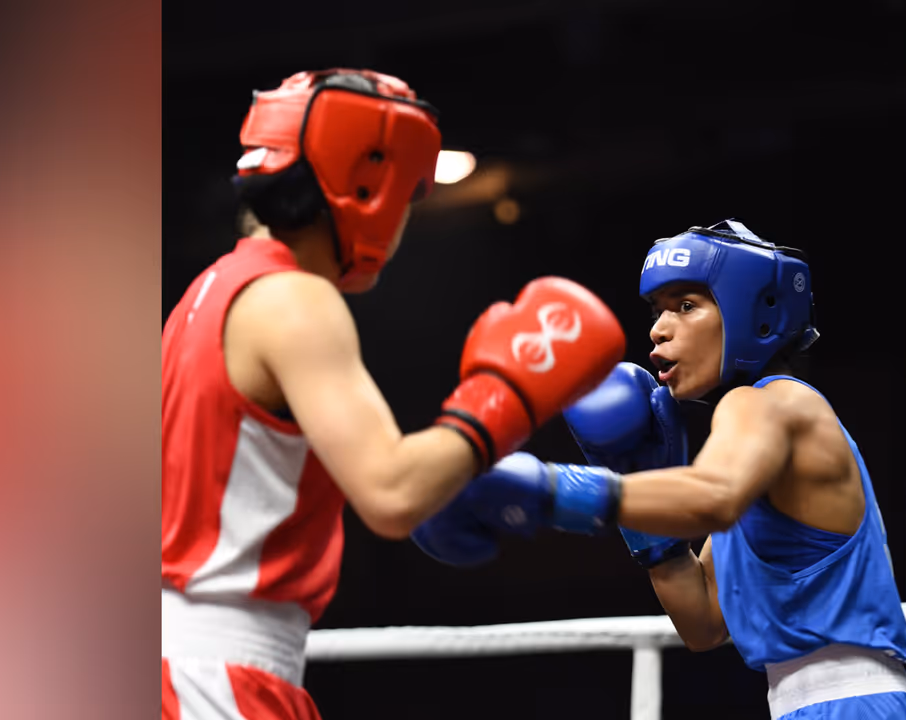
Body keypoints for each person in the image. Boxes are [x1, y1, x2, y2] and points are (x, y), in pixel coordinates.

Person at [161, 68, 627, 720]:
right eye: (408, 196)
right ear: (365, 183)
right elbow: (392, 493)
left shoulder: (205, 295)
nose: (405, 219)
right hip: (215, 679)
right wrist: (508, 398)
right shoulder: (294, 298)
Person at [412, 220, 906, 719]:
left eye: (686, 306)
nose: (658, 328)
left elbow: (712, 496)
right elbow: (704, 624)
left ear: (751, 311)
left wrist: (552, 491)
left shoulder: (768, 404)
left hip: (850, 701)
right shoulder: (756, 445)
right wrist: (645, 524)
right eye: (657, 310)